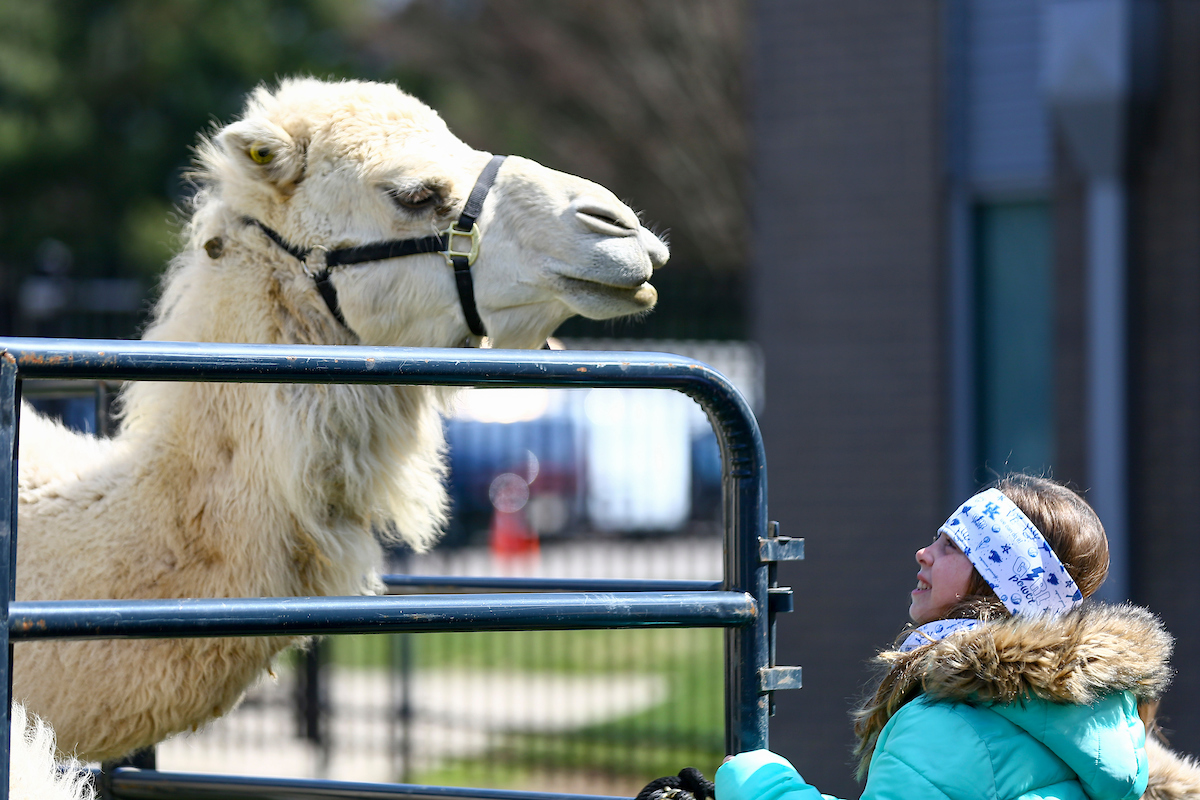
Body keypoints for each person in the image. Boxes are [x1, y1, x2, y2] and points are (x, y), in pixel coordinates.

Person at [715, 474, 1181, 800]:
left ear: (998, 577)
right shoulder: (1106, 728)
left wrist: (760, 783)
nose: (923, 554)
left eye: (952, 544)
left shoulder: (946, 723)